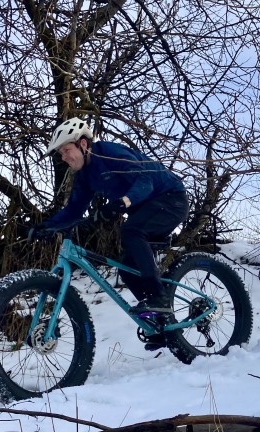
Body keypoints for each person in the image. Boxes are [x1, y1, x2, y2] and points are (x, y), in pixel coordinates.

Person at [31, 117, 189, 318]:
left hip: (171, 200)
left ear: (83, 144)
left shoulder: (110, 154)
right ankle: (160, 321)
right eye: (61, 153)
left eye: (66, 150)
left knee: (132, 231)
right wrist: (46, 227)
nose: (63, 157)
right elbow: (74, 210)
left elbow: (144, 181)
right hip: (147, 209)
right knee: (127, 267)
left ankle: (158, 298)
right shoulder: (85, 176)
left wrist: (122, 203)